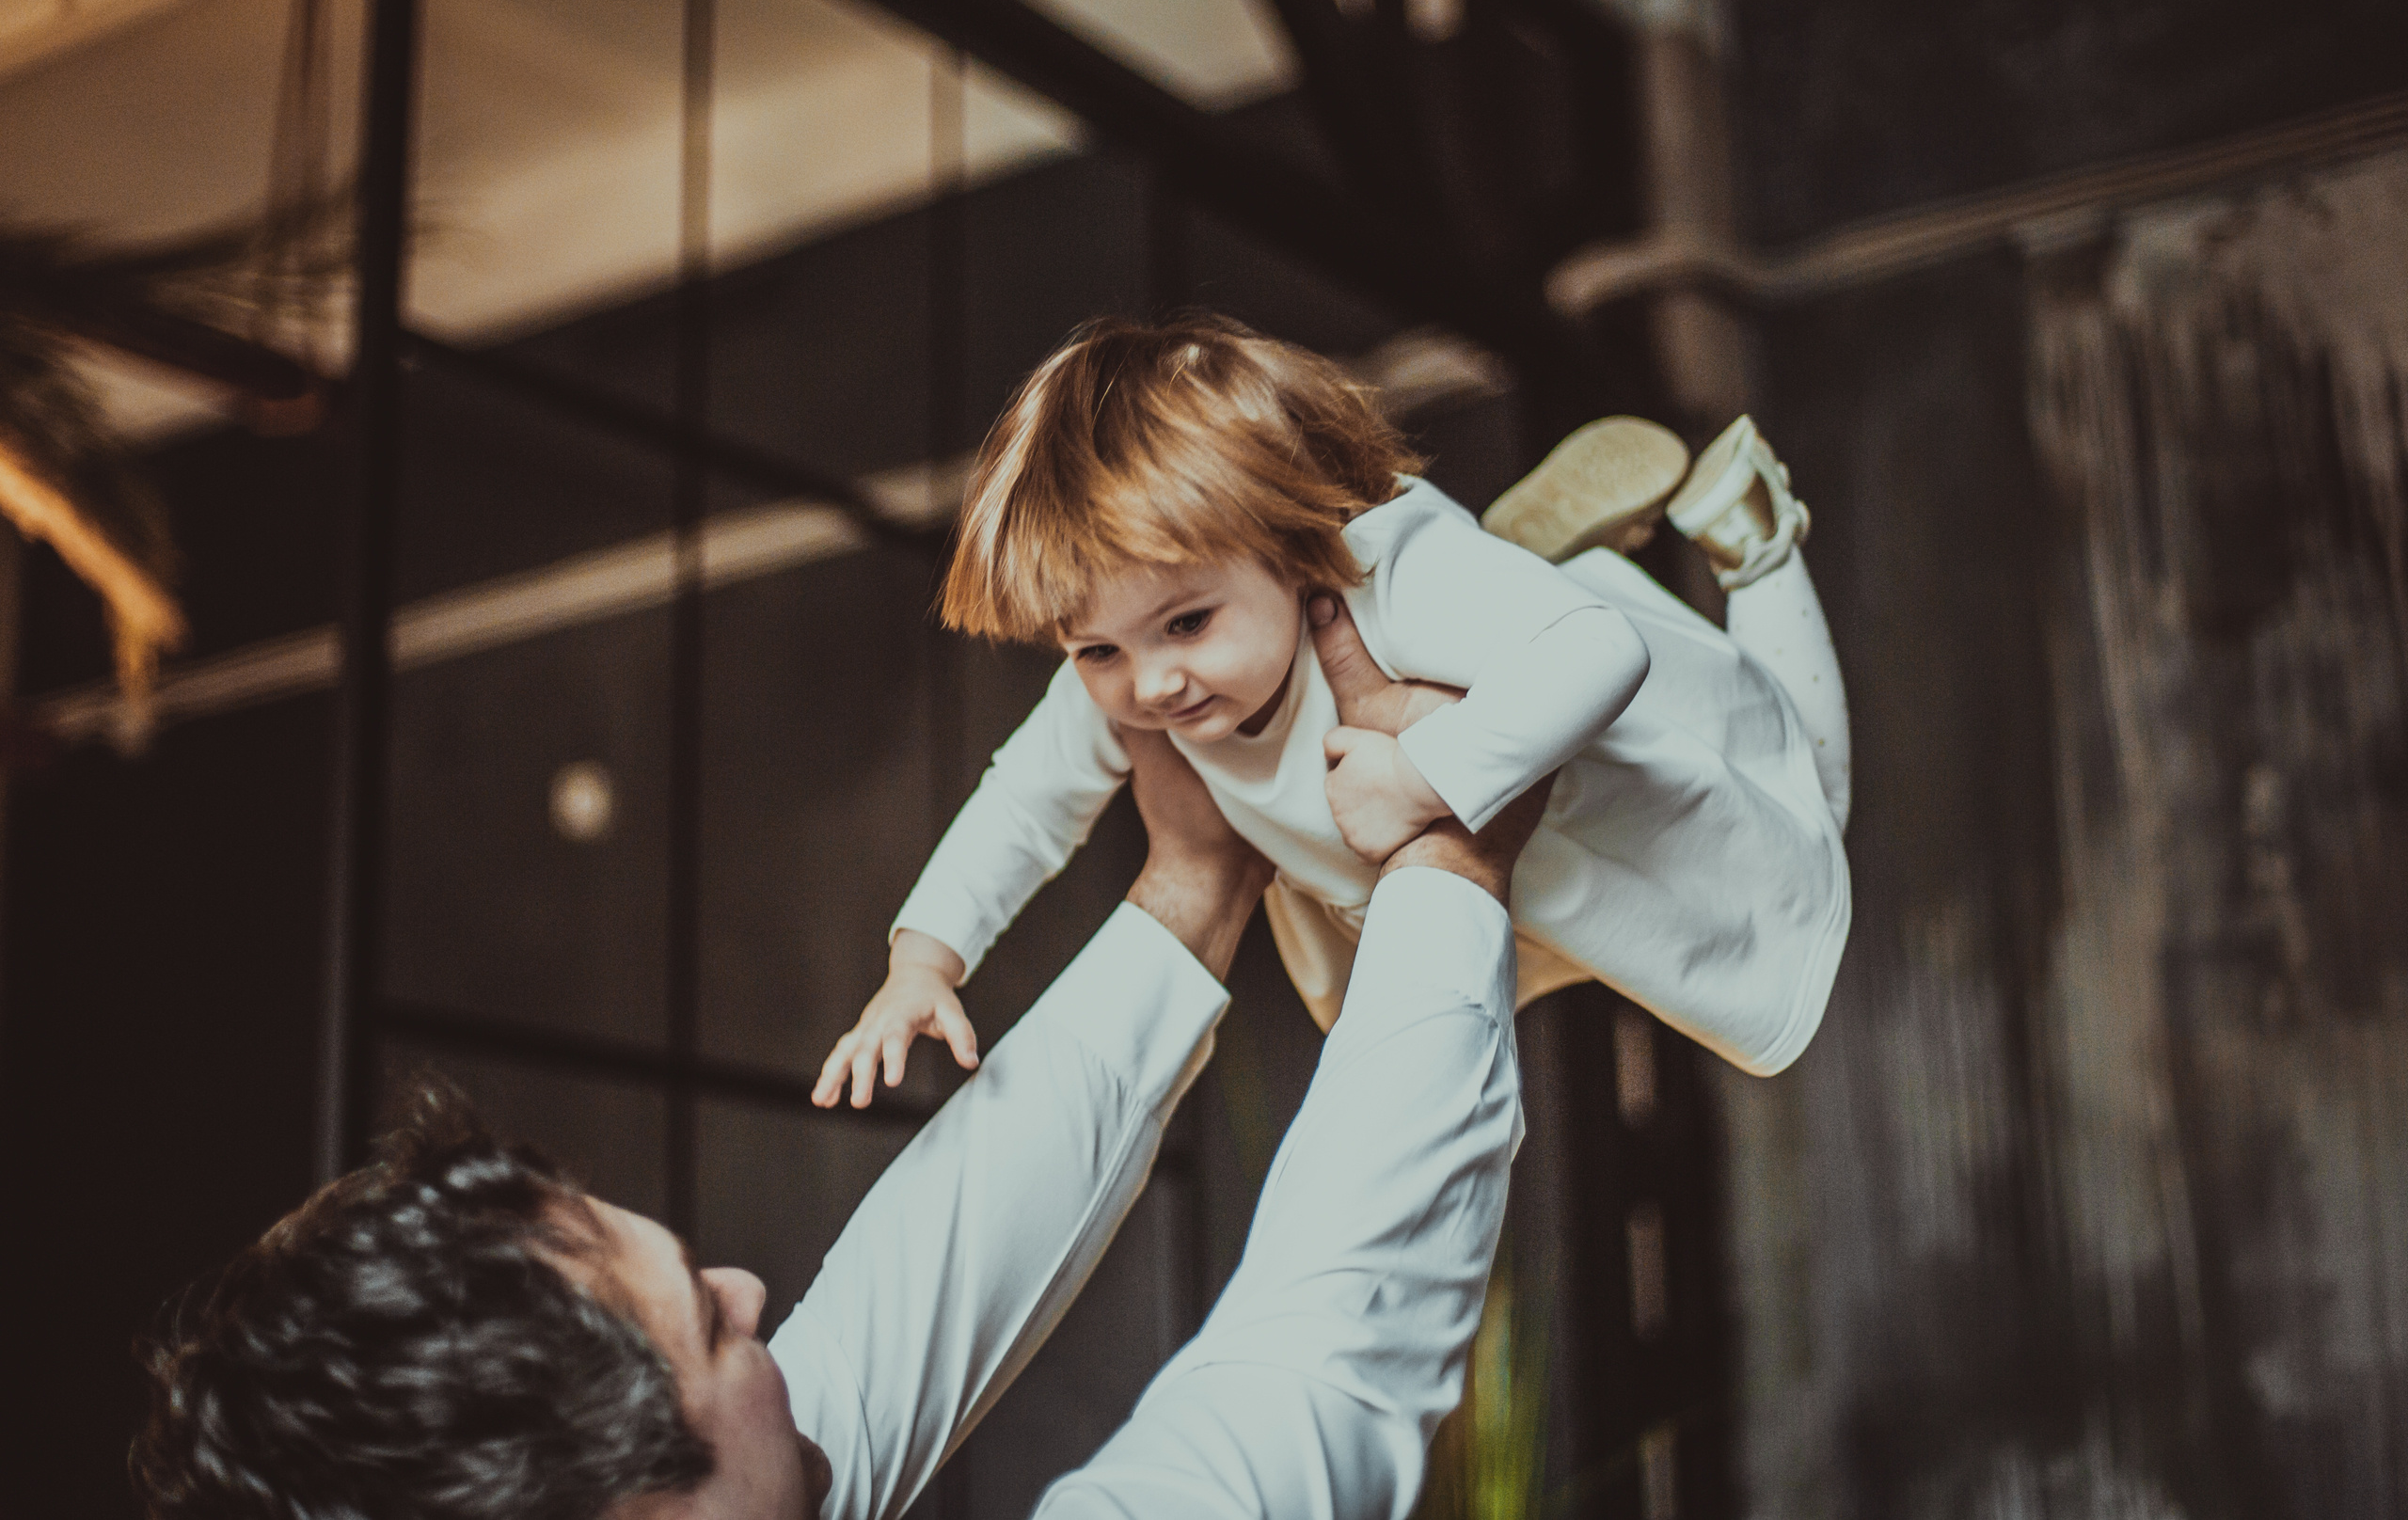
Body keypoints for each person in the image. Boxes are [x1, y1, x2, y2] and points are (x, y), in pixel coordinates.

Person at [134, 599, 1545, 1520]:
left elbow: (895, 1319)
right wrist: (1445, 856)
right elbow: (1316, 1364)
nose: (754, 1285)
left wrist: (1187, 884)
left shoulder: (739, 1485)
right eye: (709, 1322)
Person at [819, 313, 1850, 1108]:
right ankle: (1518, 572)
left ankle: (1747, 533)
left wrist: (1422, 774)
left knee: (1809, 804)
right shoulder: (1133, 674)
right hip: (1483, 882)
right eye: (1094, 650)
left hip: (1588, 788)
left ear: (1288, 539)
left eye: (1186, 625)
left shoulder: (1378, 576)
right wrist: (923, 961)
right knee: (1546, 950)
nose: (1148, 688)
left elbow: (1599, 649)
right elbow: (1024, 805)